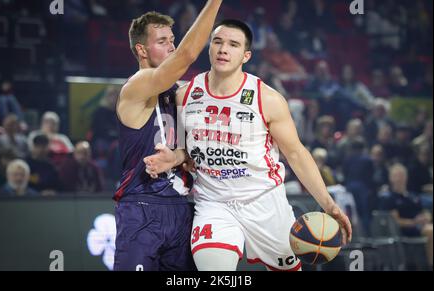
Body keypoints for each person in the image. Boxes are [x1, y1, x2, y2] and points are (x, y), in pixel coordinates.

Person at [144, 19, 352, 271]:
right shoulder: (184, 95)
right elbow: (188, 150)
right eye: (218, 42)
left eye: (233, 44)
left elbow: (296, 153)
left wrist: (329, 204)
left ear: (245, 55)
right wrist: (174, 158)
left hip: (264, 202)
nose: (223, 49)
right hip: (214, 204)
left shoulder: (268, 99)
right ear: (209, 47)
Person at [113, 1, 223, 271]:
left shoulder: (181, 92)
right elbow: (186, 57)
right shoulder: (135, 87)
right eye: (162, 41)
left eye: (173, 40)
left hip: (182, 207)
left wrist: (177, 157)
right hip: (142, 206)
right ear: (141, 49)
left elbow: (193, 150)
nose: (172, 46)